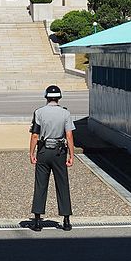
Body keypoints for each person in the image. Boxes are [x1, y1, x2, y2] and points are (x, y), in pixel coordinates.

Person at [28, 85, 75, 232]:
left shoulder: (39, 112)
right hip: (59, 151)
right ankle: (66, 219)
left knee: (41, 185)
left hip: (43, 150)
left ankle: (37, 220)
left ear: (46, 97)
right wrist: (71, 155)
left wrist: (31, 152)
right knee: (62, 184)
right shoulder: (65, 113)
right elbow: (69, 135)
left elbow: (35, 135)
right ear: (59, 97)